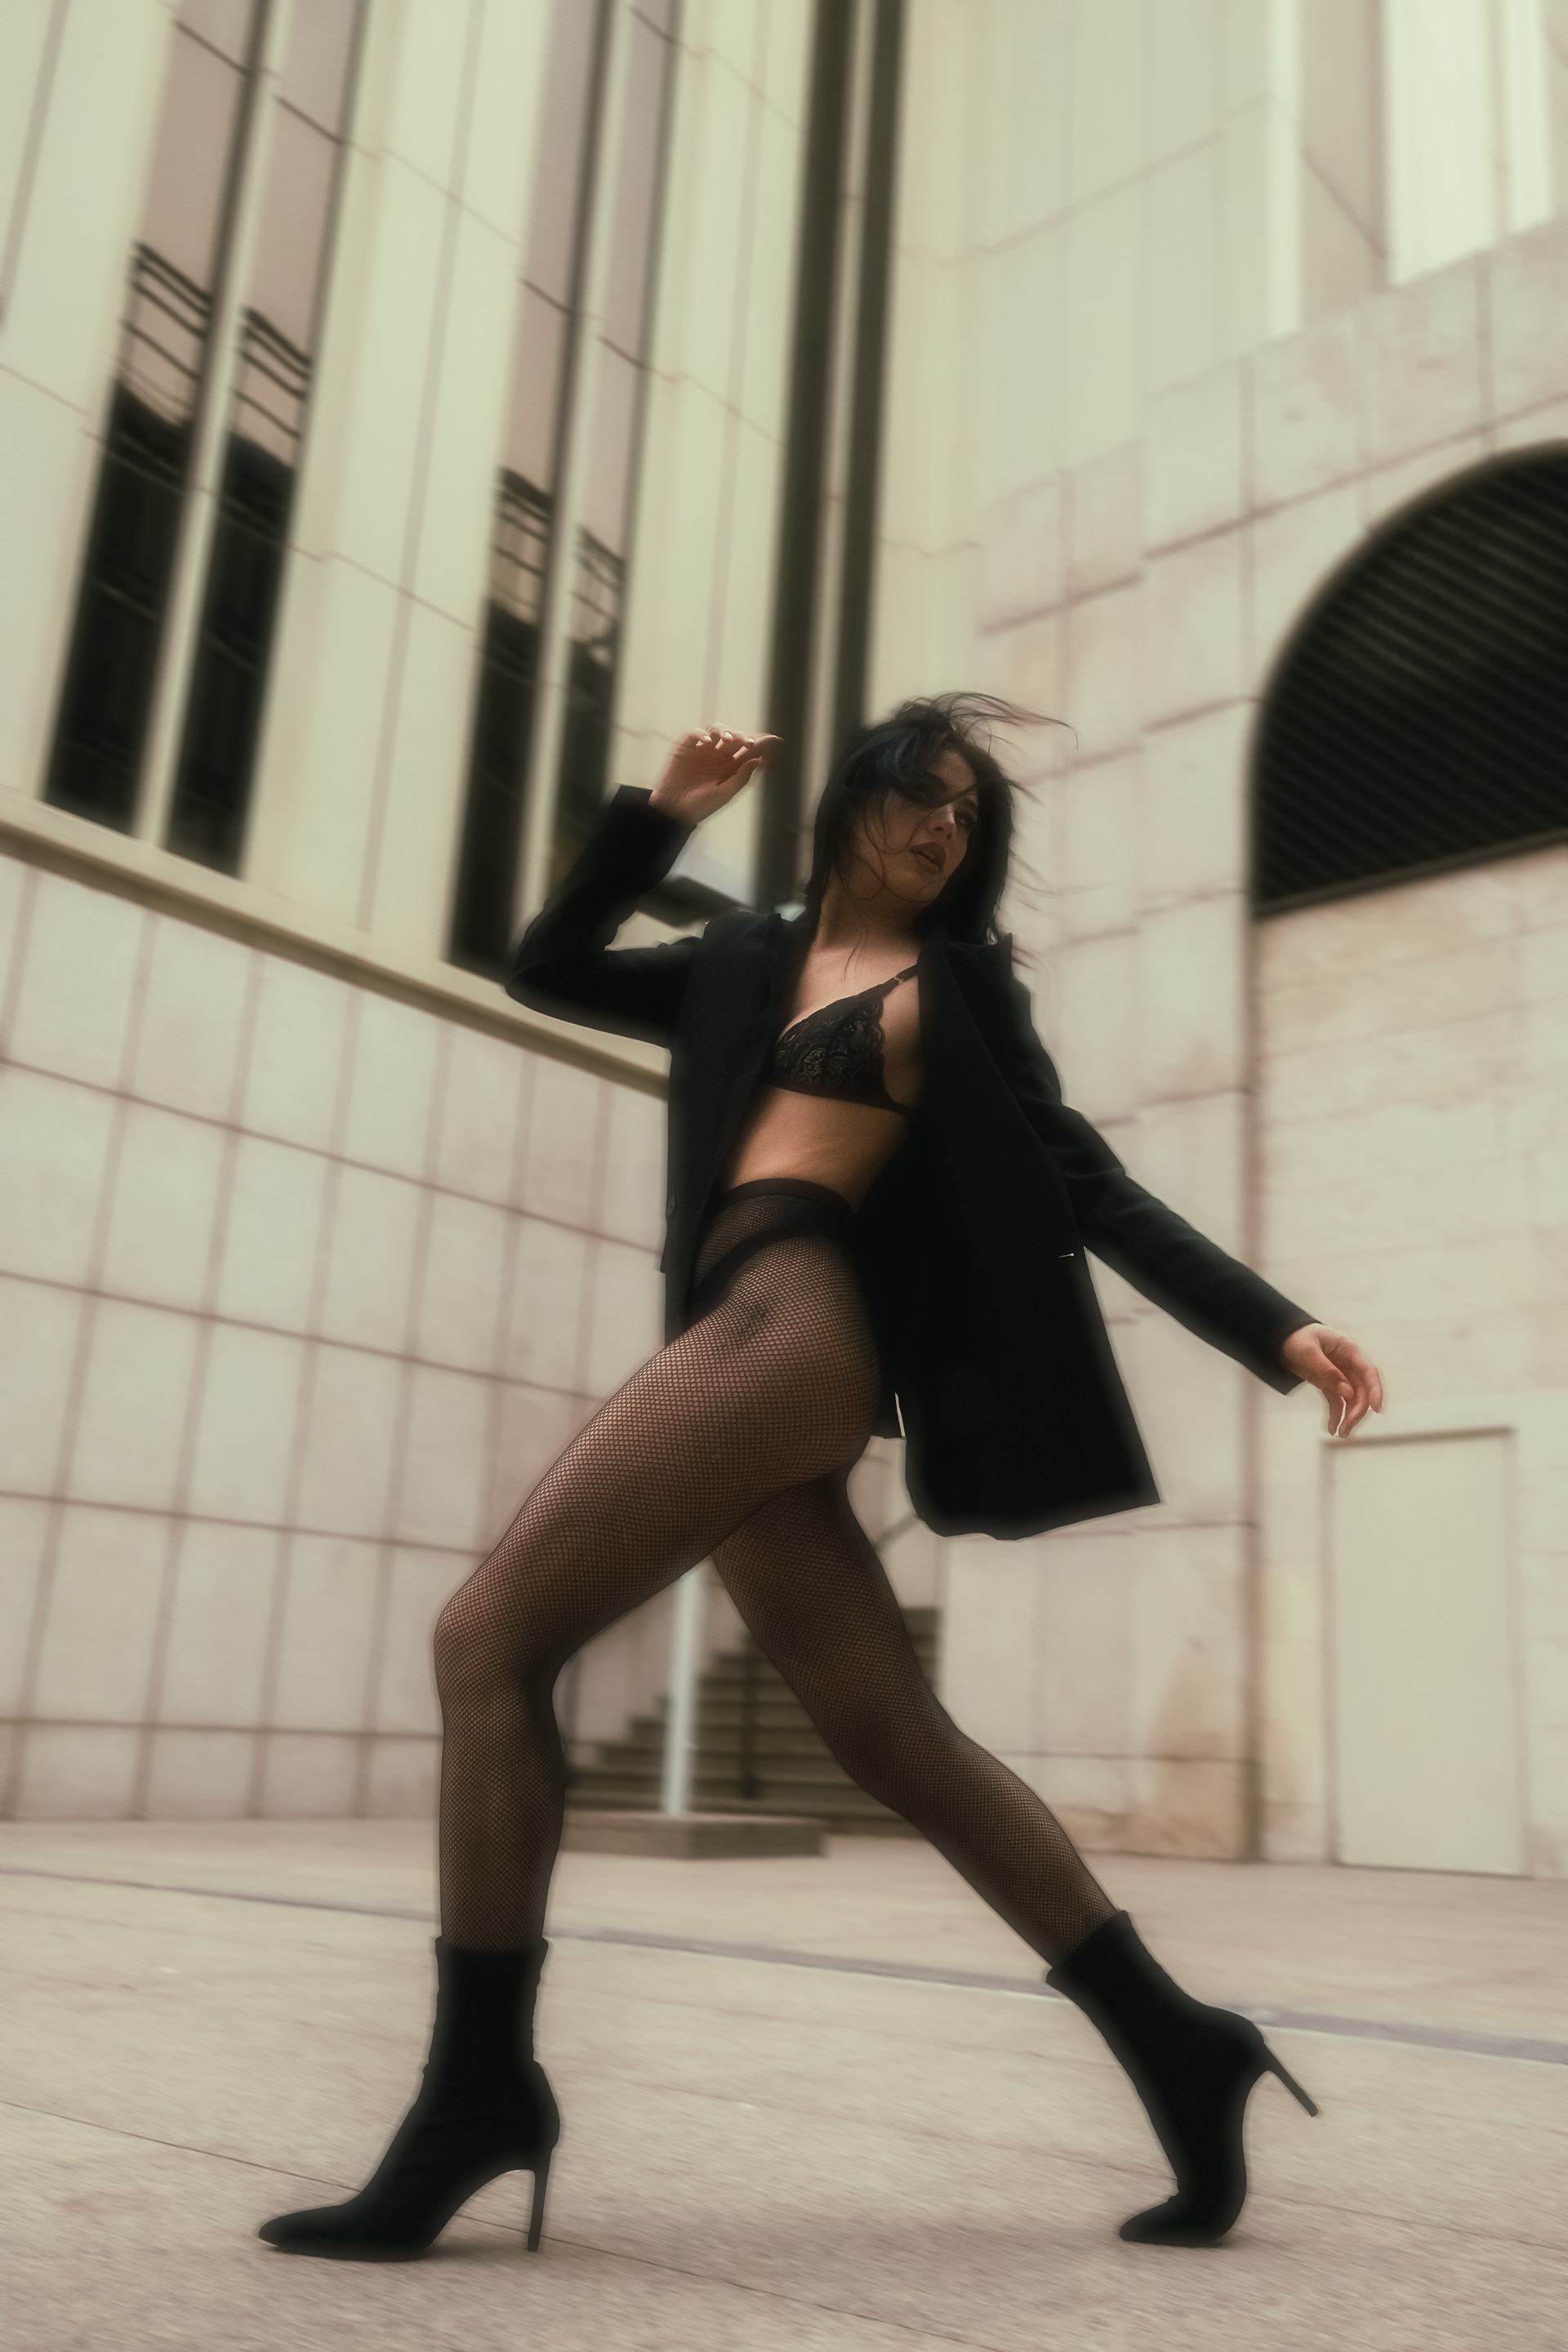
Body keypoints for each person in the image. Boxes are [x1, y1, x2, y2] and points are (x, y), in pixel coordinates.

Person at [260, 694, 1382, 2261]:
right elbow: (546, 967)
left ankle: (476, 2097)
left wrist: (1277, 1327)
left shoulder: (963, 990)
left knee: (484, 1641)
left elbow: (1091, 1184)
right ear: (856, 799)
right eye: (924, 795)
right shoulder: (737, 956)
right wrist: (658, 820)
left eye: (970, 815)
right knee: (893, 1738)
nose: (945, 827)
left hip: (800, 1326)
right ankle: (1182, 2045)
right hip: (732, 1323)